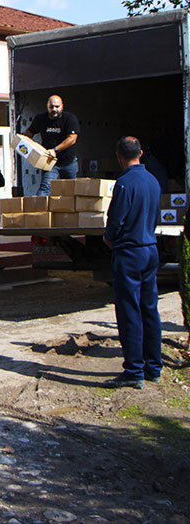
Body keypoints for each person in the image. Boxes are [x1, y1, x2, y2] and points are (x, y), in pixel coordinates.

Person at [103, 136, 162, 389]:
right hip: (149, 248)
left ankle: (134, 370)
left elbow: (116, 220)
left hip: (129, 252)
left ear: (119, 156)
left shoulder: (125, 183)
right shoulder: (153, 181)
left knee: (129, 311)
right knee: (149, 309)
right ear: (140, 153)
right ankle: (154, 366)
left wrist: (109, 238)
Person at [23, 95, 80, 196]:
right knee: (45, 188)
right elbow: (28, 134)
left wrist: (55, 150)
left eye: (57, 107)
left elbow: (72, 139)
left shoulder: (69, 118)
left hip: (68, 162)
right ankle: (39, 206)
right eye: (51, 107)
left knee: (71, 192)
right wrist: (23, 145)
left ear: (62, 106)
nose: (54, 109)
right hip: (50, 162)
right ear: (47, 106)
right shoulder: (41, 119)